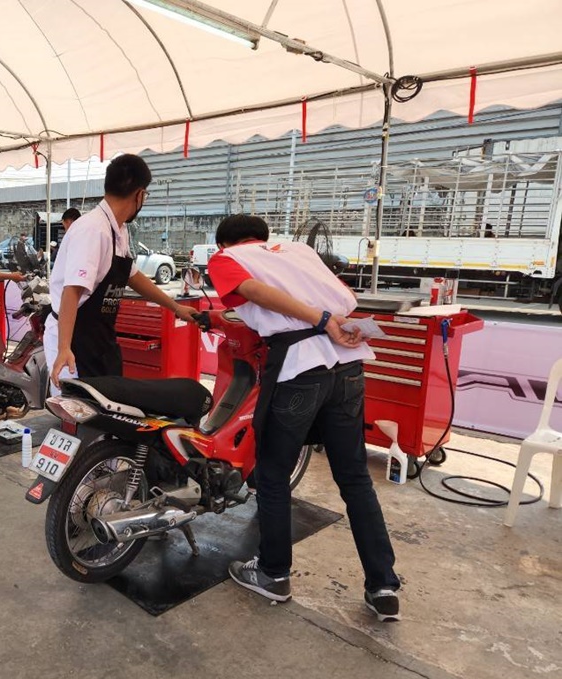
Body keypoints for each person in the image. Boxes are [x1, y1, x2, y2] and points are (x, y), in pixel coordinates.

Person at [207, 214, 401, 623]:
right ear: (264, 237)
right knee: (355, 477)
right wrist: (327, 318)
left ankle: (273, 574)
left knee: (273, 474)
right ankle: (383, 586)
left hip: (299, 369)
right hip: (349, 366)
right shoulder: (299, 251)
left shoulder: (227, 259)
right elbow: (345, 297)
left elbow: (251, 292)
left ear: (225, 243)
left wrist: (320, 320)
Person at [48, 154, 196, 390]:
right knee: (78, 409)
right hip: (72, 340)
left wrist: (175, 307)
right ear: (140, 195)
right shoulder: (93, 230)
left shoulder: (119, 229)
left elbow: (132, 275)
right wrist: (64, 347)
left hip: (100, 338)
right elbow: (72, 291)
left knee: (111, 404)